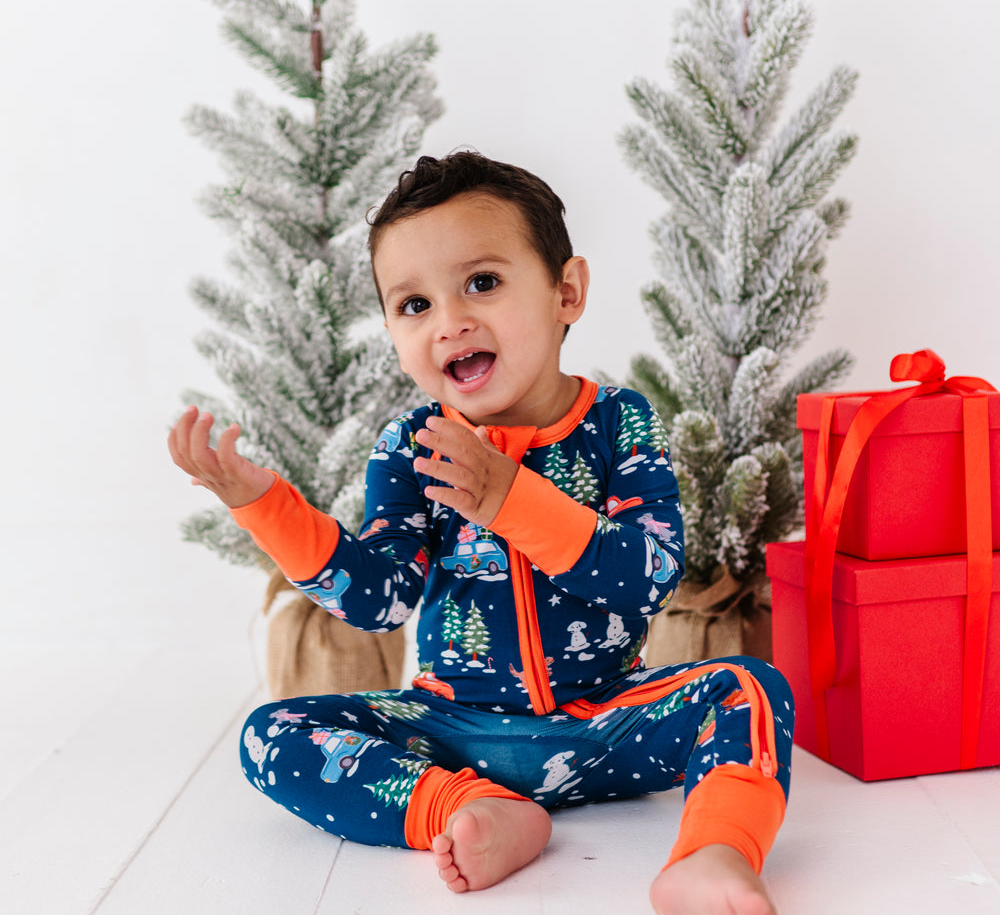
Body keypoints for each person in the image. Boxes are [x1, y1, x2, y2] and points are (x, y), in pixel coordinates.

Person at [168, 151, 794, 915]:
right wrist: (262, 505)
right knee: (273, 731)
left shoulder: (618, 422)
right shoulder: (411, 447)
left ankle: (713, 854)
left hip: (605, 723)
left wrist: (508, 499)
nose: (450, 321)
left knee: (749, 687)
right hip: (452, 732)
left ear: (566, 292)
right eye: (414, 304)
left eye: (483, 282)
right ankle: (470, 810)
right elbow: (378, 601)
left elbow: (648, 576)